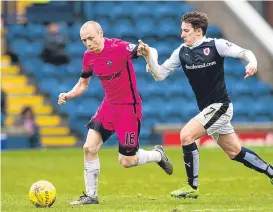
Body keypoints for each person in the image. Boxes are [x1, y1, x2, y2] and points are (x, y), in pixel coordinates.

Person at [137, 11, 273, 199]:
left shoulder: (216, 45)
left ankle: (192, 187)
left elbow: (244, 52)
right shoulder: (181, 51)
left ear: (198, 31)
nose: (182, 34)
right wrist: (148, 57)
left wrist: (252, 63)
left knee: (186, 135)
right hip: (208, 110)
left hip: (221, 106)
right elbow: (159, 74)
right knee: (235, 152)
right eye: (182, 30)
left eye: (186, 31)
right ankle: (271, 172)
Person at [57, 21, 173, 205]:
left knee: (127, 161)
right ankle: (91, 195)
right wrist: (68, 95)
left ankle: (157, 155)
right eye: (84, 40)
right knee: (89, 148)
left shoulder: (119, 47)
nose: (88, 43)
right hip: (108, 107)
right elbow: (83, 84)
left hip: (129, 109)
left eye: (91, 38)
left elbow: (149, 50)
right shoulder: (88, 57)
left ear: (101, 33)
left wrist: (151, 61)